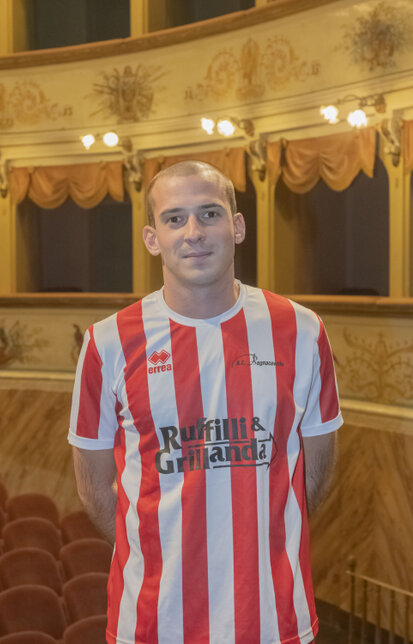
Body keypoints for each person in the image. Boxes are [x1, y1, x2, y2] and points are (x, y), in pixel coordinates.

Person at [68, 160, 343, 644]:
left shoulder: (302, 330)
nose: (193, 232)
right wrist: (160, 551)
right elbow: (93, 488)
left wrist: (263, 540)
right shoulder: (107, 343)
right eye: (174, 219)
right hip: (153, 622)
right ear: (153, 238)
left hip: (273, 619)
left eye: (209, 214)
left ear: (237, 227)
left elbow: (314, 473)